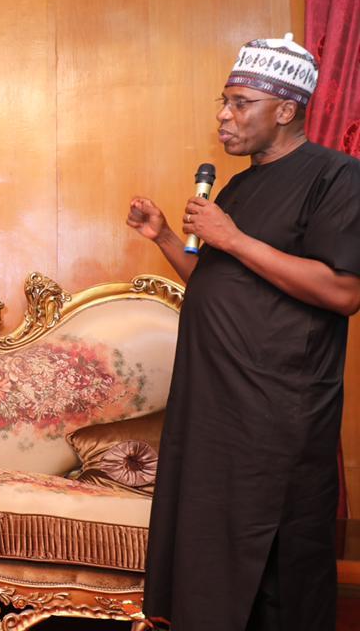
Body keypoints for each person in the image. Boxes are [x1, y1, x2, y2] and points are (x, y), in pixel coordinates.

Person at [127, 34, 360, 630]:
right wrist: (162, 238)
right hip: (213, 404)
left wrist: (230, 236)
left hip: (276, 408)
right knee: (209, 549)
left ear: (286, 110)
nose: (223, 117)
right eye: (223, 102)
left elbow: (343, 290)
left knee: (276, 555)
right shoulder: (239, 186)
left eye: (240, 103)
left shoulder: (337, 177)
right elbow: (216, 280)